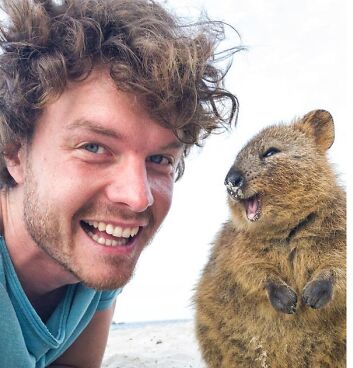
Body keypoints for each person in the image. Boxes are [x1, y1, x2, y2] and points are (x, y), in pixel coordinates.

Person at [0, 0, 237, 366]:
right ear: (15, 153)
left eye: (160, 159)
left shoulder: (90, 262)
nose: (138, 197)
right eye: (94, 147)